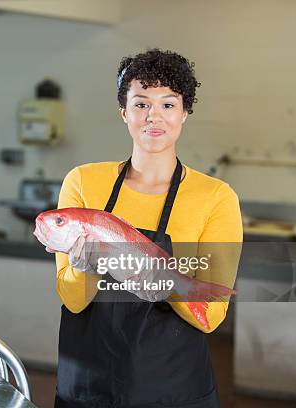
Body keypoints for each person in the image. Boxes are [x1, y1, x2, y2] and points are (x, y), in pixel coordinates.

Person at [50, 49, 243, 407]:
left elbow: (211, 317)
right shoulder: (83, 182)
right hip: (89, 388)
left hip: (172, 389)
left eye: (168, 105)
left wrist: (161, 283)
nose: (153, 116)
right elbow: (73, 302)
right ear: (123, 111)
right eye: (141, 104)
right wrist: (83, 269)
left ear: (185, 112)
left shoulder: (216, 197)